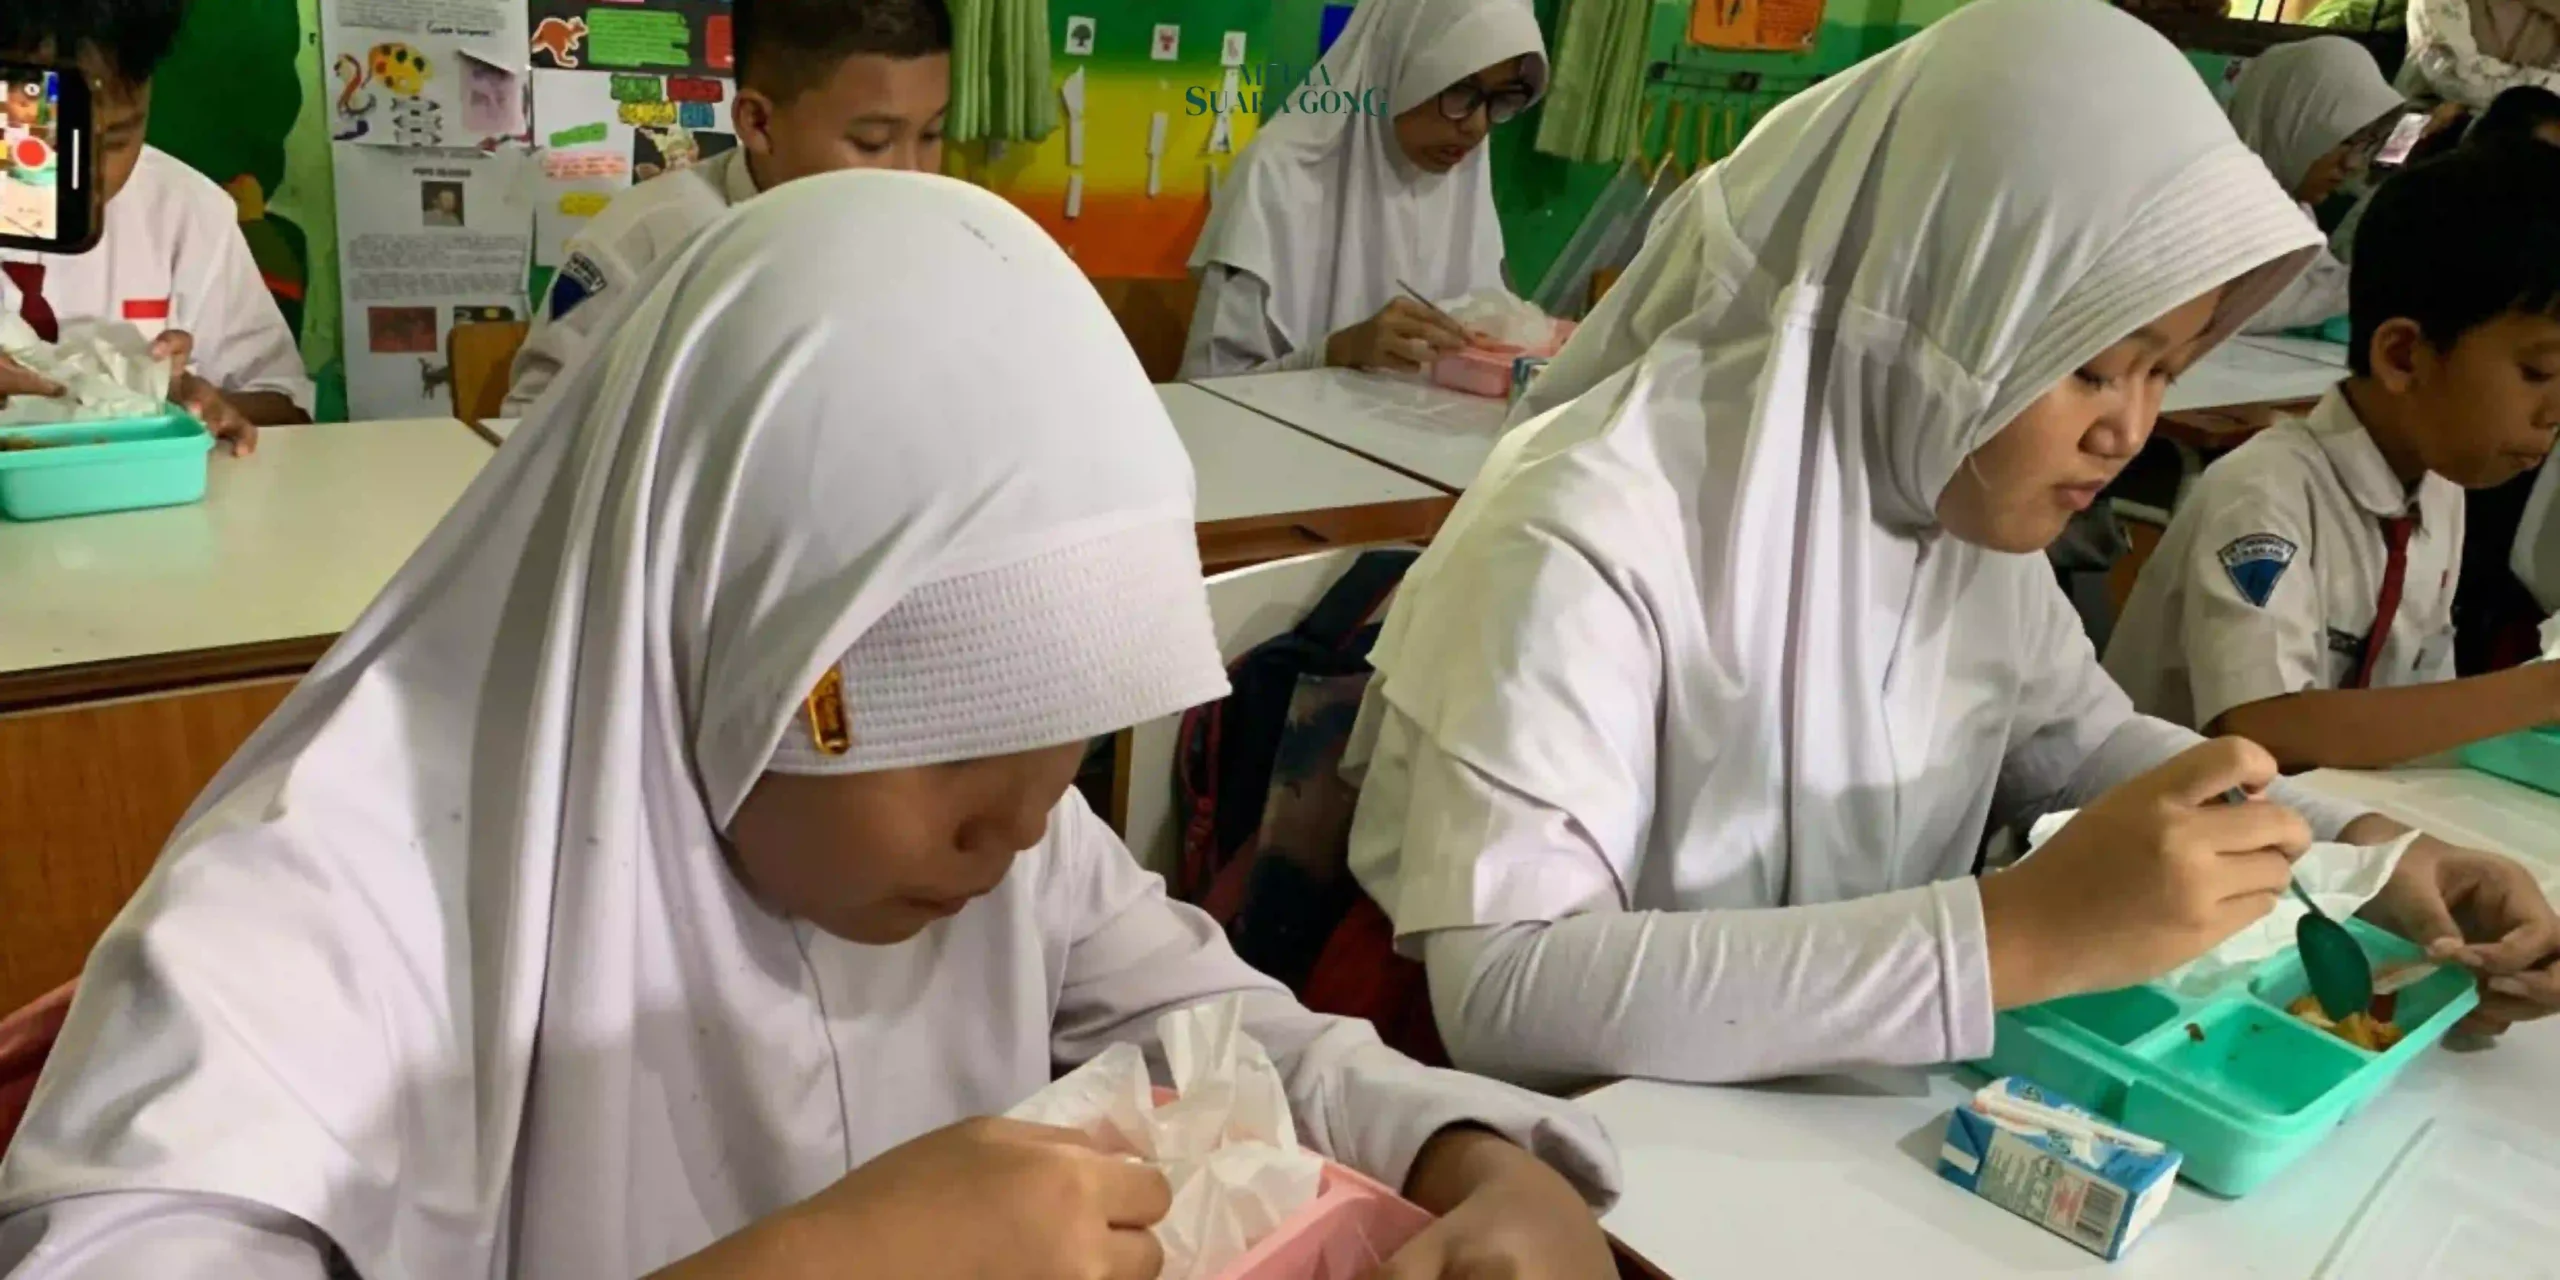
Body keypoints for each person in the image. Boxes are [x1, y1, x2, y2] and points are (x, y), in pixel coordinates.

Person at [0, 172, 1619, 1277]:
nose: (1021, 826)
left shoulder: (1009, 841)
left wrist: (1469, 1156)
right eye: (953, 734)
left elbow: (1219, 1026)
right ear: (728, 626)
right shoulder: (322, 922)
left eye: (1071, 749)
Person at [1334, 0, 2560, 1092]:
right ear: (1939, 308)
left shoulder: (1952, 490)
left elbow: (2079, 737)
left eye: (2160, 372)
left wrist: (2363, 855)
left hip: (1822, 1123)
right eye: (2085, 365)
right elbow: (1505, 991)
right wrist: (2010, 934)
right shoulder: (1586, 524)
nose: (2127, 429)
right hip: (1600, 1153)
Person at [2107, 147, 2560, 763]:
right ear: (2403, 356)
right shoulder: (2264, 493)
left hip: (2323, 822)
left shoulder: (2437, 491)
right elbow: (2268, 727)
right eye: (2540, 372)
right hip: (2155, 830)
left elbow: (2420, 705)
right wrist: (2544, 688)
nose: (2554, 412)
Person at [500, 0, 952, 417]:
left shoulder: (944, 237)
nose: (913, 175)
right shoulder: (645, 242)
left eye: (932, 134)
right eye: (872, 142)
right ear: (758, 122)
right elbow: (528, 426)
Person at [0, 0, 314, 456]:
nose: (84, 176)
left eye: (117, 140)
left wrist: (191, 407)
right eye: (40, 135)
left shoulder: (189, 211)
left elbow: (289, 405)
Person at [1178, 0, 1544, 378]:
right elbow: (1204, 391)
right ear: (1396, 61)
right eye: (1458, 88)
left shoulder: (1466, 176)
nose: (1477, 127)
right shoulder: (1278, 175)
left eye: (1503, 98)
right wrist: (1336, 352)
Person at [2225, 35, 2406, 333]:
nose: (2352, 164)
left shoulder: (2292, 210)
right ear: (2289, 122)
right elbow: (2235, 307)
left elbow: (2321, 281)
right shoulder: (2206, 200)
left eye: (2364, 145)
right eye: (2344, 141)